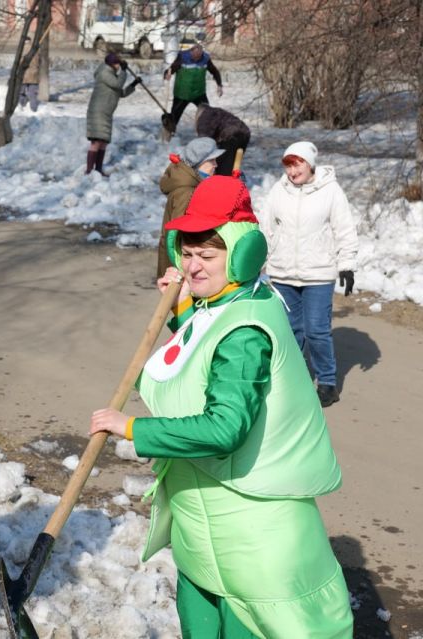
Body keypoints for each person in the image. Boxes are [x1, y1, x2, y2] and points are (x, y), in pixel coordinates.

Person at [89, 175, 354, 638]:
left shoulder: (247, 330)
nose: (191, 267)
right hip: (206, 533)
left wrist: (133, 429)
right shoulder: (232, 300)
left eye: (206, 256)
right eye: (186, 253)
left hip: (249, 540)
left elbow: (224, 428)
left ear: (243, 254)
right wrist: (182, 310)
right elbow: (205, 345)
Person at [258, 141, 359, 407]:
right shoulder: (279, 191)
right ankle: (290, 379)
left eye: (297, 164)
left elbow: (344, 229)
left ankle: (327, 382)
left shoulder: (331, 191)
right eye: (289, 165)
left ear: (310, 163)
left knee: (317, 330)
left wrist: (346, 264)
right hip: (282, 274)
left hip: (318, 274)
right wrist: (257, 262)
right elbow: (266, 229)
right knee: (290, 331)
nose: (292, 171)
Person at [156, 137, 223, 278]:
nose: (216, 165)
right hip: (181, 267)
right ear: (199, 164)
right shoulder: (186, 192)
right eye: (211, 160)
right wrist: (181, 270)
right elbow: (177, 235)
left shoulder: (194, 185)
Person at [85, 52, 140, 175]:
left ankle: (98, 169)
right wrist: (124, 72)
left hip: (106, 113)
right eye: (116, 63)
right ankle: (89, 170)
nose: (118, 66)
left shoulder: (113, 76)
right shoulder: (104, 73)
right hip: (98, 112)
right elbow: (117, 84)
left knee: (103, 142)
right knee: (96, 142)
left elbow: (121, 93)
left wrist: (133, 85)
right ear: (111, 64)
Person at [163, 43, 223, 133]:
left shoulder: (205, 59)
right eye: (194, 57)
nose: (196, 59)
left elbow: (214, 71)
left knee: (207, 115)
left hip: (198, 93)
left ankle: (208, 136)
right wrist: (167, 74)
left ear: (202, 54)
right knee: (173, 119)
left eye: (198, 57)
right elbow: (172, 69)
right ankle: (168, 136)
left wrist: (219, 85)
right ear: (190, 53)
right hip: (182, 94)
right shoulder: (182, 57)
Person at [195, 104, 251, 177]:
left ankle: (222, 184)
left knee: (223, 165)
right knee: (233, 163)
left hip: (231, 135)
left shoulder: (204, 117)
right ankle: (231, 181)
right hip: (245, 133)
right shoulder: (216, 111)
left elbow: (204, 140)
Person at [18, 36, 41, 113]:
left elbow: (20, 62)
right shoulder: (36, 49)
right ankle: (34, 109)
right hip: (34, 74)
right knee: (33, 93)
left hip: (24, 74)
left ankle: (21, 106)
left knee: (21, 91)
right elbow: (39, 61)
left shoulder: (22, 49)